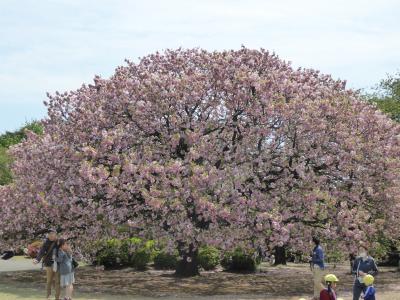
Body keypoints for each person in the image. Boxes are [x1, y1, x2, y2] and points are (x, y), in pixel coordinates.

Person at [33, 229, 60, 300]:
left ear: (55, 234)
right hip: (49, 264)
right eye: (50, 234)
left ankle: (57, 297)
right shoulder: (46, 242)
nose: (51, 235)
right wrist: (37, 259)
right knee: (49, 281)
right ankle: (48, 297)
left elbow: (64, 249)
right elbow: (41, 252)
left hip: (58, 264)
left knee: (57, 282)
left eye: (52, 234)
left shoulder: (59, 242)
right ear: (48, 235)